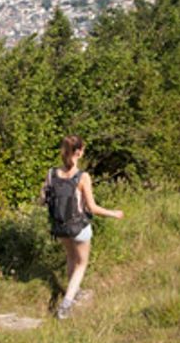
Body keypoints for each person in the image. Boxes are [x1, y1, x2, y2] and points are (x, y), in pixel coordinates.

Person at [42, 135, 124, 320]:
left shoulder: (51, 173)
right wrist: (114, 213)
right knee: (82, 263)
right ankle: (66, 305)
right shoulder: (83, 176)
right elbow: (92, 208)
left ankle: (72, 291)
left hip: (59, 227)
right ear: (79, 152)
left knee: (71, 258)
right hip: (78, 227)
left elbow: (43, 199)